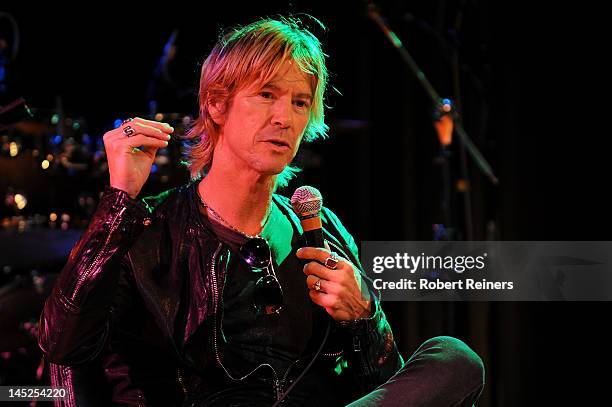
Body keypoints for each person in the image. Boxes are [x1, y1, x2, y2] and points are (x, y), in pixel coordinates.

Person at [38, 17, 484, 406]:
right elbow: (61, 345)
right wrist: (119, 203)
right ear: (216, 103)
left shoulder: (321, 230)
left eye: (299, 102)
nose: (284, 118)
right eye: (266, 95)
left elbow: (385, 387)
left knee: (455, 359)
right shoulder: (149, 229)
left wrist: (365, 315)